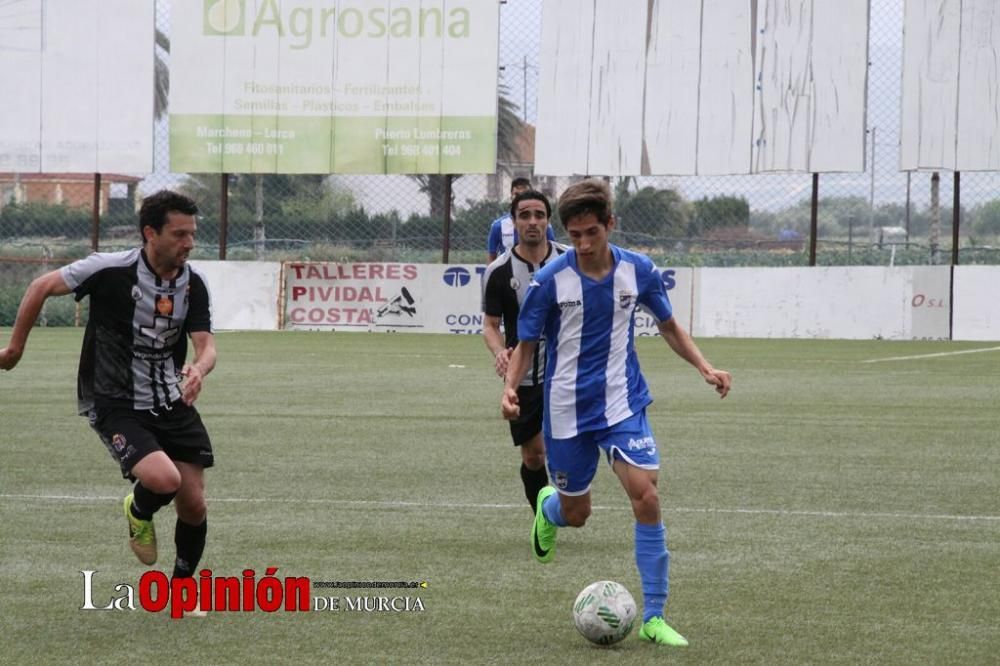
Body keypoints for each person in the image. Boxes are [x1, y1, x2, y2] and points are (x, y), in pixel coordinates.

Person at [501, 179, 731, 648]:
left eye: (592, 232)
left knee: (646, 495)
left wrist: (704, 366)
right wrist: (510, 389)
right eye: (576, 234)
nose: (584, 244)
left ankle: (654, 616)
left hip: (623, 404)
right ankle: (548, 509)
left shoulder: (638, 270)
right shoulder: (550, 282)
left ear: (610, 224)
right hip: (565, 410)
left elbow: (668, 325)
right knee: (577, 512)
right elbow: (526, 346)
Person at [0, 190, 216, 586]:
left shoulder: (192, 284)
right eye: (179, 234)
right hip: (114, 400)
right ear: (150, 233)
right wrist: (14, 349)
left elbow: (207, 346)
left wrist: (200, 368)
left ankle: (181, 589)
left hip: (171, 399)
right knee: (164, 481)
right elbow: (40, 286)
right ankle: (139, 509)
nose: (189, 243)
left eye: (192, 234)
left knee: (194, 504)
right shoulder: (110, 268)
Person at [482, 190, 565, 513]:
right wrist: (500, 351)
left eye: (539, 215)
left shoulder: (569, 262)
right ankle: (543, 517)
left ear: (548, 220)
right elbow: (490, 325)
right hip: (524, 373)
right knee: (534, 456)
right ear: (513, 222)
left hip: (567, 368)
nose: (532, 222)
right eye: (525, 215)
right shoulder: (499, 271)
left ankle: (568, 502)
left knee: (564, 449)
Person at [487, 177, 557, 262]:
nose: (519, 198)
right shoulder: (498, 226)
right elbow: (492, 255)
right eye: (516, 194)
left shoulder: (545, 225)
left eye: (524, 194)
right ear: (511, 196)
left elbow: (552, 252)